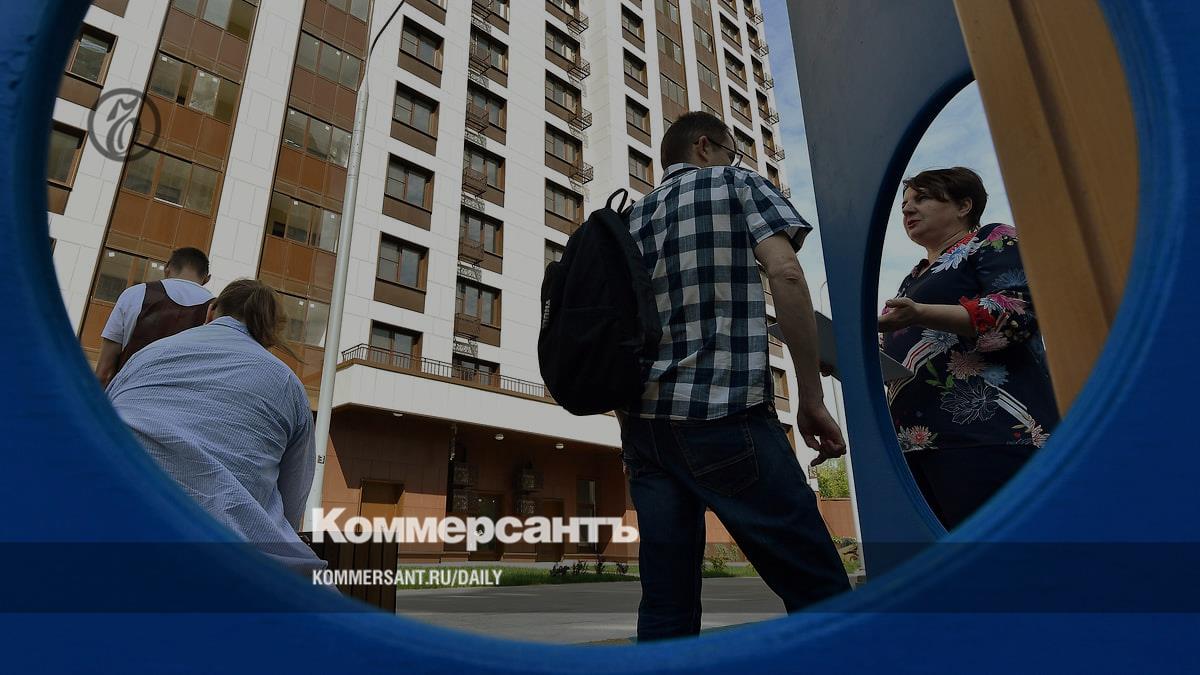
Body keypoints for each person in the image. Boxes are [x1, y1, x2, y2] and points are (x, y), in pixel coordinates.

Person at [620, 111, 850, 641]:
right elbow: (786, 272)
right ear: (705, 147)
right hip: (725, 412)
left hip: (645, 431)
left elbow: (620, 331)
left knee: (666, 603)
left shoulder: (632, 218)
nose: (733, 159)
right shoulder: (736, 183)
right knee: (817, 585)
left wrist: (628, 431)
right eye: (730, 150)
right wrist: (811, 397)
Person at [878, 167, 1060, 529]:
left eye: (922, 198)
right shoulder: (912, 278)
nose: (908, 209)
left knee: (1007, 551)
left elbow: (1017, 313)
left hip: (993, 434)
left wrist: (920, 313)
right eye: (904, 204)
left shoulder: (992, 239)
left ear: (964, 205)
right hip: (919, 443)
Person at [107, 279, 324, 572]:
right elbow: (291, 503)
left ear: (210, 311)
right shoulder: (288, 384)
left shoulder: (146, 355)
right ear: (270, 333)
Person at [95, 246, 214, 387]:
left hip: (127, 393)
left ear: (167, 268)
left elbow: (104, 372)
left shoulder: (135, 294)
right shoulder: (215, 309)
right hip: (182, 398)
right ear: (207, 279)